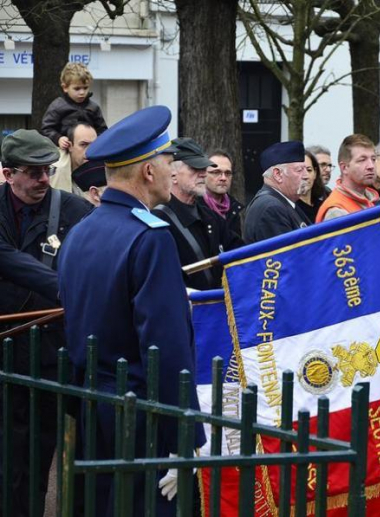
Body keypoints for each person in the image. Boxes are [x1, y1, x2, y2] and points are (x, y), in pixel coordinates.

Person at [57, 105, 206, 516]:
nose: (173, 170)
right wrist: (184, 437)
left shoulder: (81, 231)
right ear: (147, 172)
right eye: (167, 162)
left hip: (93, 404)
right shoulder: (151, 237)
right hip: (142, 415)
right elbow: (167, 343)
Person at [0, 129, 92, 517]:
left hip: (54, 355)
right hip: (6, 350)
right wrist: (66, 289)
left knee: (47, 455)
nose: (43, 180)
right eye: (34, 172)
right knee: (10, 462)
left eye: (48, 170)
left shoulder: (75, 211)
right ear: (8, 174)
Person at [153, 138, 243, 290]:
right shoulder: (158, 219)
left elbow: (239, 252)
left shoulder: (209, 216)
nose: (203, 174)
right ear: (173, 174)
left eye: (204, 168)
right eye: (195, 168)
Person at [244, 141, 311, 243]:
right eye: (299, 170)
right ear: (277, 174)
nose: (306, 176)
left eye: (306, 169)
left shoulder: (283, 203)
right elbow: (286, 255)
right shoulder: (271, 208)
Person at [40, 62, 107, 150]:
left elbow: (103, 131)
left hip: (89, 151)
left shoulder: (94, 108)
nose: (82, 92)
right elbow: (46, 129)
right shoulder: (57, 106)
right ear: (65, 87)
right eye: (77, 88)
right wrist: (58, 138)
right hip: (64, 153)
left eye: (85, 88)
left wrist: (96, 141)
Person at [316, 134, 380, 222]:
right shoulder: (336, 211)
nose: (371, 166)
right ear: (344, 167)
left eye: (373, 159)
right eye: (362, 160)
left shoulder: (371, 201)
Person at [204, 150, 244, 239]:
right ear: (203, 174)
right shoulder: (195, 208)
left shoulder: (233, 208)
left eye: (228, 173)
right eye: (216, 172)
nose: (223, 178)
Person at [50, 121, 98, 194]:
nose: (90, 150)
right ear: (70, 146)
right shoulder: (53, 172)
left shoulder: (103, 170)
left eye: (94, 145)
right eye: (83, 144)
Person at [297, 150, 328, 222]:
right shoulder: (289, 207)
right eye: (299, 170)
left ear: (315, 173)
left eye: (309, 170)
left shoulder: (323, 206)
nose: (305, 176)